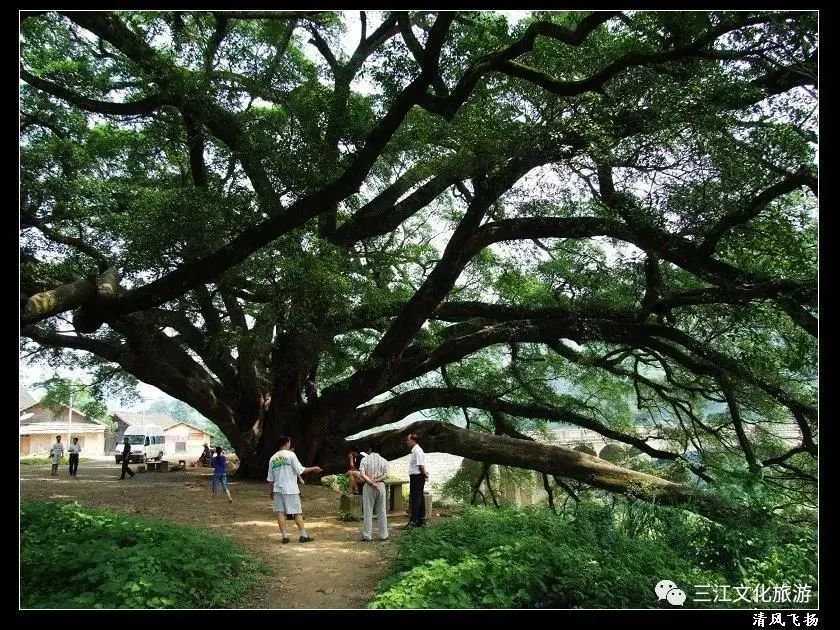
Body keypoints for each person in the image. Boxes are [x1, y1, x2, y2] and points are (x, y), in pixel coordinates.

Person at [266, 436, 323, 543]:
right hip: (291, 489)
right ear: (286, 443)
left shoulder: (272, 458)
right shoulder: (291, 455)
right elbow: (300, 470)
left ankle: (285, 536)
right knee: (297, 512)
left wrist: (271, 491)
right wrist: (314, 468)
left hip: (278, 490)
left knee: (280, 513)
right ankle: (303, 535)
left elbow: (270, 479)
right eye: (289, 442)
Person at [358, 445, 389, 542]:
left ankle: (367, 535)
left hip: (368, 486)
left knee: (368, 511)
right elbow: (386, 475)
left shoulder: (365, 460)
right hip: (381, 486)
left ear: (370, 449)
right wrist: (376, 480)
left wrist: (372, 482)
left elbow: (362, 474)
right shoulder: (384, 460)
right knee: (382, 510)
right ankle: (384, 535)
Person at [405, 433, 429, 527]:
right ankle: (421, 519)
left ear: (413, 440)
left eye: (408, 440)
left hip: (417, 476)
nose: (407, 442)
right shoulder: (415, 451)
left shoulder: (418, 451)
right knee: (419, 497)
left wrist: (424, 473)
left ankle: (414, 520)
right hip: (417, 476)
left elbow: (420, 465)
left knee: (416, 498)